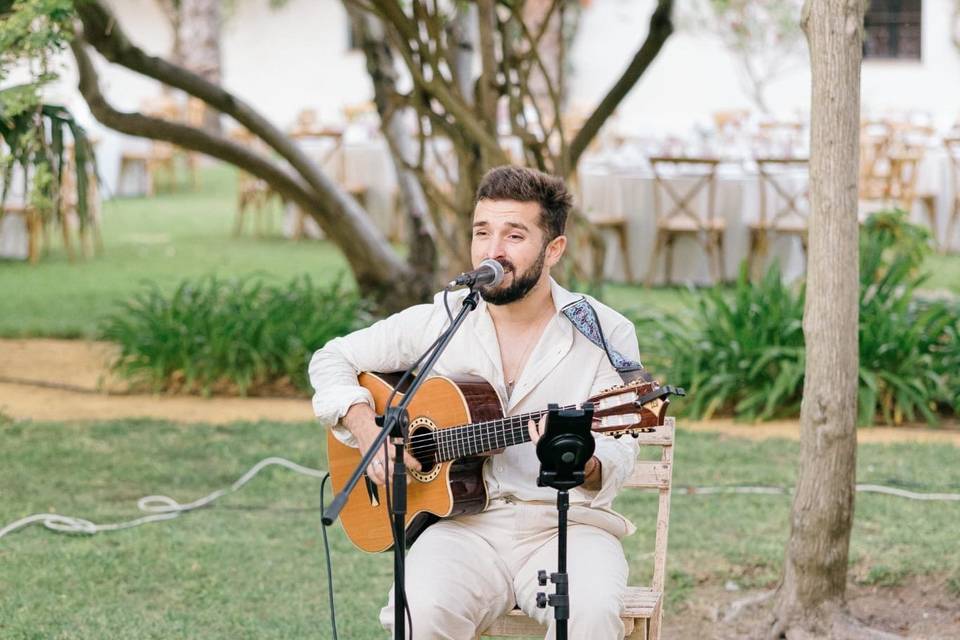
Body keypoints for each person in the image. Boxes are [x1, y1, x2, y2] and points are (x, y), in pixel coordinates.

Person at [309, 165, 641, 639]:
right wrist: (367, 430)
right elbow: (333, 357)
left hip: (565, 526)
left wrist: (582, 459)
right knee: (415, 616)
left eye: (514, 235)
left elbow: (621, 446)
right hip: (462, 527)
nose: (492, 251)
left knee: (589, 617)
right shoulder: (444, 317)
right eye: (482, 232)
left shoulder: (604, 331)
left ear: (554, 250)